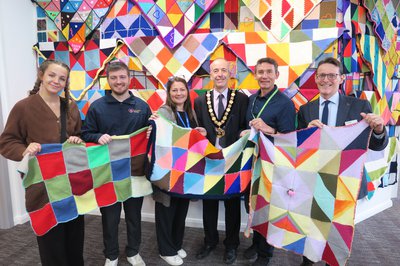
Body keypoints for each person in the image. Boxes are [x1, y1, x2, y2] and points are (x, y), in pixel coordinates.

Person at [297, 57, 388, 266]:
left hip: (346, 181)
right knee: (312, 225)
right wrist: (307, 134)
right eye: (321, 75)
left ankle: (334, 262)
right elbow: (300, 149)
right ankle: (308, 260)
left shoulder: (359, 106)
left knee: (338, 231)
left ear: (341, 78)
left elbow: (376, 145)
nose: (326, 80)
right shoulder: (305, 110)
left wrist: (379, 129)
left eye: (331, 75)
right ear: (316, 79)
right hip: (316, 179)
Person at [0, 59, 84, 266]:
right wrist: (24, 150)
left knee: (74, 239)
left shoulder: (71, 107)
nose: (56, 81)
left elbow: (81, 137)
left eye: (62, 78)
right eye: (52, 75)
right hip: (42, 188)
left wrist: (77, 141)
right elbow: (7, 141)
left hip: (70, 185)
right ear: (41, 75)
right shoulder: (24, 107)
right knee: (51, 241)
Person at [81, 61, 152, 266]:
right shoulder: (97, 107)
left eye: (122, 77)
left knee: (133, 216)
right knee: (110, 218)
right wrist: (97, 136)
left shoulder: (141, 106)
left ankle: (133, 252)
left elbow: (151, 135)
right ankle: (111, 255)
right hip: (107, 173)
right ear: (108, 80)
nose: (118, 81)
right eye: (114, 78)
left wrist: (153, 129)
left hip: (134, 172)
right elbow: (85, 133)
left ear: (129, 79)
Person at [240, 57, 296, 265]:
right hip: (252, 162)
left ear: (277, 75)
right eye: (260, 72)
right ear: (255, 75)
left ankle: (266, 254)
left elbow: (290, 140)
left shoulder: (285, 104)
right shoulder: (252, 99)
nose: (264, 76)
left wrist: (269, 129)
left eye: (268, 72)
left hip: (273, 165)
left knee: (269, 208)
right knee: (253, 205)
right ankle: (256, 243)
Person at [193, 58, 249, 264]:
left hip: (233, 159)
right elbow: (196, 129)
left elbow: (245, 126)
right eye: (215, 70)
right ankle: (210, 241)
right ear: (210, 74)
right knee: (209, 203)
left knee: (232, 204)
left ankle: (232, 244)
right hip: (209, 159)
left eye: (223, 70)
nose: (219, 74)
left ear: (230, 72)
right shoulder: (200, 100)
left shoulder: (242, 99)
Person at [152, 76, 206, 266]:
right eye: (174, 90)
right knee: (166, 211)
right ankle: (165, 250)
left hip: (185, 172)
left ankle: (175, 245)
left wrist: (201, 134)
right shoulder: (164, 111)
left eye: (182, 89)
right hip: (167, 171)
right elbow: (163, 136)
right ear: (169, 93)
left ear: (187, 91)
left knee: (180, 210)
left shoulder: (191, 113)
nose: (179, 93)